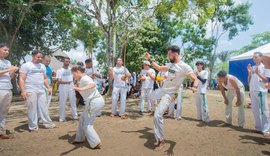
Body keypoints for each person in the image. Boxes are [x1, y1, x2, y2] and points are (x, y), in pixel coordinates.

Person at [145, 45, 198, 149]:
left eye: (169, 54)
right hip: (163, 90)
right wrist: (149, 59)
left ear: (175, 54)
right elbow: (159, 68)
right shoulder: (170, 64)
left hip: (170, 93)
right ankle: (154, 110)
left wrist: (195, 86)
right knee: (150, 96)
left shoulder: (184, 66)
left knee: (157, 116)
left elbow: (194, 78)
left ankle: (161, 140)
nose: (168, 56)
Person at [19, 50, 55, 132]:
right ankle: (33, 127)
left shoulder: (42, 66)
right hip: (30, 90)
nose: (39, 59)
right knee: (32, 108)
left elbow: (45, 78)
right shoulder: (26, 65)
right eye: (38, 57)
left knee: (44, 106)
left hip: (41, 89)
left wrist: (48, 87)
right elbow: (21, 79)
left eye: (41, 57)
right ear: (33, 56)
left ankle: (48, 123)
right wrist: (23, 91)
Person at [71, 65, 104, 149]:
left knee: (87, 124)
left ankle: (96, 142)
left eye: (73, 74)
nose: (73, 76)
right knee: (82, 118)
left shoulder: (84, 78)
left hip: (94, 102)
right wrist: (80, 86)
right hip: (92, 102)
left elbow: (93, 85)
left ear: (78, 72)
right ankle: (79, 138)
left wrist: (80, 89)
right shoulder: (83, 79)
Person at [247, 52, 269, 137]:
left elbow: (266, 80)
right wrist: (249, 73)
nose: (254, 58)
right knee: (255, 110)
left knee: (264, 111)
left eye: (256, 57)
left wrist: (258, 73)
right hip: (253, 91)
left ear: (261, 58)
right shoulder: (252, 67)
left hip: (261, 91)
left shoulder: (265, 67)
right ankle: (258, 128)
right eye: (253, 57)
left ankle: (266, 130)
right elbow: (249, 80)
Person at [0, 43, 18, 139]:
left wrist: (12, 72)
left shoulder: (7, 62)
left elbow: (10, 77)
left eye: (8, 50)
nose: (7, 52)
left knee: (4, 111)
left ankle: (2, 132)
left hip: (7, 88)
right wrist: (9, 69)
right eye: (5, 50)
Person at [56, 57, 78, 122]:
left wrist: (73, 82)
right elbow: (59, 81)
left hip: (71, 86)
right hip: (63, 87)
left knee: (73, 101)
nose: (68, 63)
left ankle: (75, 116)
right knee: (62, 102)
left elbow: (74, 78)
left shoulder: (71, 70)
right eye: (66, 61)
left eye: (68, 61)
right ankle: (62, 117)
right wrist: (67, 82)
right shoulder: (59, 70)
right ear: (63, 62)